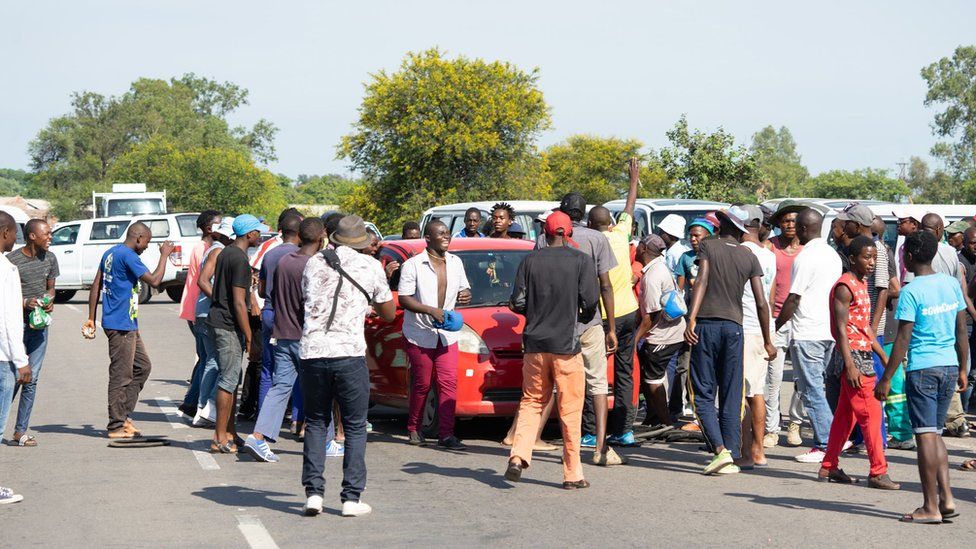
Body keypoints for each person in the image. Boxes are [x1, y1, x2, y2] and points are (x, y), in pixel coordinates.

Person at [300, 215, 395, 517]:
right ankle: (350, 498)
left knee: (316, 422)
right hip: (349, 353)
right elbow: (389, 313)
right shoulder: (370, 267)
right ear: (363, 242)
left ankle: (314, 493)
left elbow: (312, 299)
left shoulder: (314, 263)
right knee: (354, 426)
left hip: (312, 351)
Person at [876, 231, 968, 523]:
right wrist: (963, 368)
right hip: (949, 367)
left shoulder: (911, 291)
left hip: (923, 369)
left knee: (925, 436)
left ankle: (930, 506)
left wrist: (887, 378)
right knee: (935, 434)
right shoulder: (951, 283)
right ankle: (946, 497)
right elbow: (961, 330)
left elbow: (902, 339)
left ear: (910, 256)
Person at [504, 211, 598, 489]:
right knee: (569, 409)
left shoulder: (530, 260)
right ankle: (572, 474)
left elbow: (516, 302)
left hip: (534, 344)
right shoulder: (581, 261)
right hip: (566, 347)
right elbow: (590, 301)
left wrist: (534, 312)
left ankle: (519, 455)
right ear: (568, 233)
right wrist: (577, 316)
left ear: (544, 232)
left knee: (532, 402)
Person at [684, 207, 775, 475]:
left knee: (701, 393)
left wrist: (691, 318)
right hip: (735, 329)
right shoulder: (748, 256)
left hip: (707, 326)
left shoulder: (709, 247)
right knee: (732, 394)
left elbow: (701, 281)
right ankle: (733, 452)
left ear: (722, 224)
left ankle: (720, 451)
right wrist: (769, 340)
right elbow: (762, 302)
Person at [539, 192, 620, 465]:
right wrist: (610, 327)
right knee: (597, 383)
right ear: (583, 213)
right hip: (589, 323)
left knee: (555, 384)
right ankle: (600, 447)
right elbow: (605, 285)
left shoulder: (544, 239)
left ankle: (538, 439)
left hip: (556, 323)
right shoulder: (597, 239)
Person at [819, 236, 900, 489]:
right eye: (867, 257)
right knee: (871, 414)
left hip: (863, 353)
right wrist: (850, 364)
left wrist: (883, 355)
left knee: (846, 416)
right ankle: (878, 471)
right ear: (853, 259)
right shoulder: (844, 286)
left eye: (874, 257)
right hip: (852, 356)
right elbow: (842, 330)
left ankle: (829, 465)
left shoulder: (861, 283)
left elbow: (863, 327)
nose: (872, 262)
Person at [244, 218, 325, 462]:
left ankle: (258, 437)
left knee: (280, 387)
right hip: (306, 335)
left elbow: (269, 294)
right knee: (321, 388)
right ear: (321, 238)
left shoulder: (283, 260)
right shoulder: (316, 264)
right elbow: (313, 304)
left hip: (282, 332)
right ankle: (328, 440)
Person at [83, 222, 175, 438]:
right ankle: (116, 425)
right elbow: (154, 280)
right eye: (147, 243)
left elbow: (96, 284)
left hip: (127, 322)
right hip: (120, 325)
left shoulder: (111, 253)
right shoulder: (128, 255)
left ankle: (123, 416)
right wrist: (164, 255)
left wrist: (91, 318)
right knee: (121, 375)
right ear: (139, 237)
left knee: (143, 367)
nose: (147, 247)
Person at [776, 208, 842, 463]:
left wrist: (775, 327)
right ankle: (832, 437)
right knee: (818, 387)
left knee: (811, 389)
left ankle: (826, 443)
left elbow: (794, 298)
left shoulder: (806, 257)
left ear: (803, 229)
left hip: (808, 331)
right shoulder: (832, 254)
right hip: (828, 331)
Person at [398, 220, 472, 448]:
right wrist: (431, 310)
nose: (446, 237)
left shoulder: (456, 262)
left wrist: (466, 294)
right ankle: (414, 427)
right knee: (421, 383)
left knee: (448, 382)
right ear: (428, 238)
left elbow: (465, 287)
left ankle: (446, 434)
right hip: (420, 333)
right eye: (441, 233)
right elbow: (404, 298)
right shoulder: (413, 265)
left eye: (448, 233)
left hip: (447, 333)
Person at [587, 157, 641, 445]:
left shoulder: (588, 245)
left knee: (594, 373)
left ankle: (590, 431)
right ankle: (624, 430)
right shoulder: (620, 235)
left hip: (603, 316)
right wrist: (633, 180)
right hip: (629, 313)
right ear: (610, 223)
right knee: (624, 372)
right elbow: (629, 207)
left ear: (588, 225)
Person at [208, 214, 267, 454]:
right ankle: (219, 438)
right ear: (249, 234)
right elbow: (239, 302)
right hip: (228, 324)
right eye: (258, 232)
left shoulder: (227, 252)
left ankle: (230, 433)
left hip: (220, 320)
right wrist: (250, 337)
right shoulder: (240, 259)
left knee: (232, 380)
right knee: (228, 379)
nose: (260, 236)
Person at [7, 219, 58, 447]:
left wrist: (50, 299)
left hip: (40, 327)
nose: (50, 237)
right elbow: (4, 296)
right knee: (10, 379)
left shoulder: (50, 258)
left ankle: (20, 431)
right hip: (15, 327)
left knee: (32, 379)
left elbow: (51, 287)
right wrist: (25, 302)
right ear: (32, 236)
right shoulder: (12, 261)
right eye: (46, 233)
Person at [765, 200, 806, 448]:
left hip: (802, 320)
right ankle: (771, 428)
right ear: (779, 223)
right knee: (773, 377)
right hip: (775, 318)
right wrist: (769, 317)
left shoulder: (808, 249)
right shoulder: (771, 247)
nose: (790, 225)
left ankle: (795, 423)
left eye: (794, 220)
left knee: (802, 377)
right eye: (786, 220)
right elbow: (767, 283)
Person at [634, 234, 684, 429]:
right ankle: (653, 418)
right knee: (649, 377)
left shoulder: (653, 275)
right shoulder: (658, 267)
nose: (636, 249)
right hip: (667, 332)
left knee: (653, 380)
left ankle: (666, 422)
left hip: (663, 335)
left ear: (644, 249)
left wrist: (636, 338)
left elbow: (652, 314)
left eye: (638, 246)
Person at [738, 207, 776, 468]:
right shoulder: (769, 255)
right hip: (761, 327)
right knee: (756, 390)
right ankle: (755, 448)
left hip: (747, 327)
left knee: (746, 393)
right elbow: (770, 299)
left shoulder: (742, 253)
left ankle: (750, 450)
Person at [192, 217, 235, 426]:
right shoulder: (218, 251)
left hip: (205, 312)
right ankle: (205, 408)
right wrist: (221, 302)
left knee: (212, 360)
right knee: (216, 361)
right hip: (208, 313)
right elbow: (203, 281)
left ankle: (204, 408)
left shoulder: (216, 249)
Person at [257, 214, 303, 412]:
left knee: (268, 368)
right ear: (300, 233)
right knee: (299, 368)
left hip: (269, 312)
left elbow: (260, 289)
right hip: (291, 317)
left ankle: (263, 415)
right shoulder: (301, 256)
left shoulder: (270, 254)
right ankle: (297, 417)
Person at [178, 210, 221, 418]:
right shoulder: (204, 249)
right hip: (200, 309)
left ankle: (191, 403)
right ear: (209, 228)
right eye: (219, 224)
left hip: (197, 309)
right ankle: (195, 403)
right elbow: (202, 282)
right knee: (207, 359)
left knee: (204, 358)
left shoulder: (206, 248)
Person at [0, 211, 30, 504]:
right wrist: (21, 360)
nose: (14, 239)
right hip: (3, 358)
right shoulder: (7, 269)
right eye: (13, 233)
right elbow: (8, 320)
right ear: (5, 232)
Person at [657, 214, 689, 279]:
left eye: (662, 232)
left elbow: (681, 277)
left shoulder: (678, 253)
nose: (659, 235)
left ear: (671, 235)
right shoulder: (665, 250)